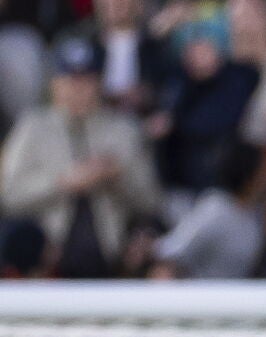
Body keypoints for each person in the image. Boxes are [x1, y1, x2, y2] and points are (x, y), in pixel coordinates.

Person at [0, 34, 161, 277]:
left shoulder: (123, 130)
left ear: (99, 83)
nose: (77, 90)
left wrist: (116, 178)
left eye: (86, 81)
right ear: (54, 84)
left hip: (113, 260)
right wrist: (65, 182)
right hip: (47, 265)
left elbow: (152, 202)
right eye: (69, 81)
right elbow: (8, 195)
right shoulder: (32, 127)